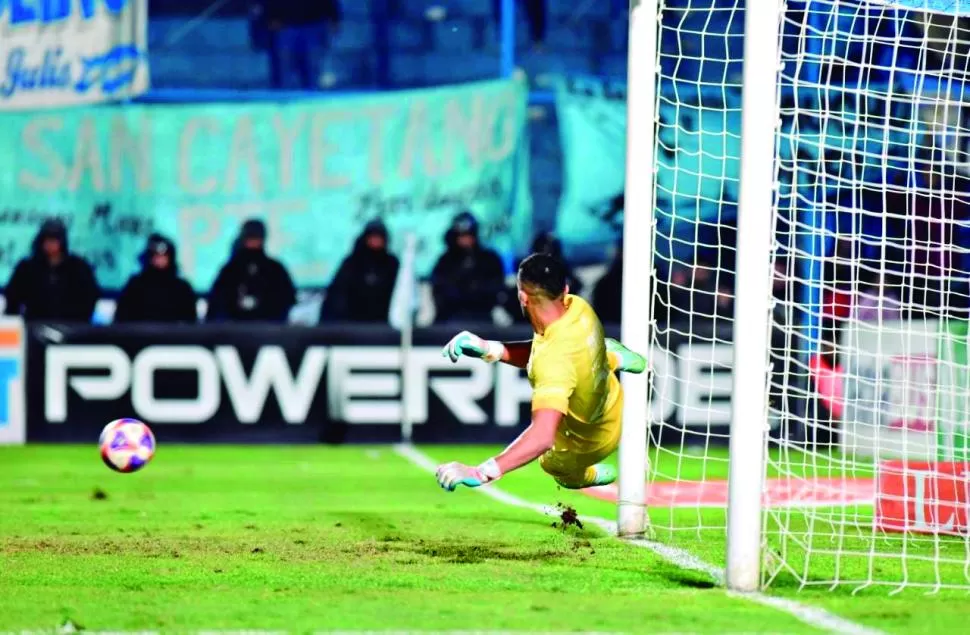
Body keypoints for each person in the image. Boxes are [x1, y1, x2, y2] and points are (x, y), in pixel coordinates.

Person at [434, 253, 647, 492]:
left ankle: (582, 473)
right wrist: (490, 348)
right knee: (585, 355)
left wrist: (481, 472)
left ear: (523, 297)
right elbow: (544, 350)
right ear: (564, 289)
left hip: (592, 442)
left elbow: (542, 437)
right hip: (610, 397)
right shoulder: (577, 306)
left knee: (552, 464)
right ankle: (612, 356)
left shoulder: (553, 361)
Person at [3, 219, 98, 322]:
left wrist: (80, 322)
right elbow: (12, 299)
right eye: (46, 239)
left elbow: (90, 297)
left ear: (62, 241)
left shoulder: (79, 268)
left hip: (71, 328)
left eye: (54, 239)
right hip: (34, 326)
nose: (50, 244)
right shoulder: (27, 268)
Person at [208, 219, 297, 322]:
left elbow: (287, 301)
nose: (253, 242)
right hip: (235, 332)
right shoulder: (230, 271)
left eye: (256, 237)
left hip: (269, 332)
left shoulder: (275, 270)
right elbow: (216, 303)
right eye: (251, 237)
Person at [430, 211, 506, 324]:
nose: (465, 240)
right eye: (461, 236)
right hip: (451, 318)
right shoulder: (445, 261)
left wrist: (475, 290)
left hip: (482, 318)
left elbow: (495, 290)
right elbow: (440, 292)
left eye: (468, 235)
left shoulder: (489, 259)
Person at [320, 219, 400, 323]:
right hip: (353, 325)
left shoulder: (392, 264)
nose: (376, 241)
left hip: (384, 325)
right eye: (372, 237)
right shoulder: (352, 263)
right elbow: (338, 295)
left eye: (379, 237)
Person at [115, 234, 197, 323]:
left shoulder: (182, 289)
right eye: (155, 255)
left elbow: (191, 324)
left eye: (163, 255)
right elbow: (121, 320)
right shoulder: (135, 286)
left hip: (173, 336)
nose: (159, 259)